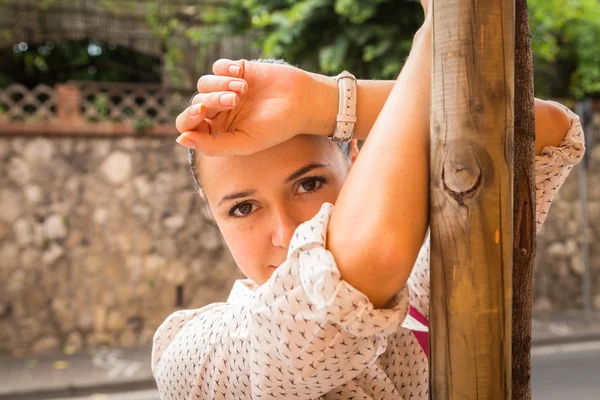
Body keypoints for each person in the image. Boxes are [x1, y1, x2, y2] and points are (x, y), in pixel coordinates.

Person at [151, 2, 585, 398]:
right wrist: (440, 28)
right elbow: (363, 263)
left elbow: (547, 135)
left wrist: (328, 103)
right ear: (212, 212)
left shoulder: (420, 286)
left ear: (356, 160)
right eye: (243, 208)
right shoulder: (195, 358)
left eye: (308, 184)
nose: (288, 234)